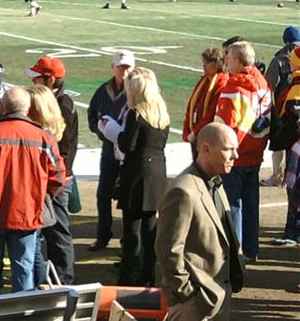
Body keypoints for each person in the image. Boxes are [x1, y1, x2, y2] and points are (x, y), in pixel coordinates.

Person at [156, 122, 244, 321]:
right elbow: (168, 249)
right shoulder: (183, 190)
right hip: (196, 299)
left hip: (216, 294)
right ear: (206, 148)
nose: (235, 156)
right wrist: (186, 294)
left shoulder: (215, 183)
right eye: (228, 149)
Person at [0, 87, 66, 296]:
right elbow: (59, 177)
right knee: (23, 267)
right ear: (28, 108)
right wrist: (39, 197)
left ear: (3, 107)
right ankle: (21, 312)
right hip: (27, 214)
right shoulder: (44, 139)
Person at [99, 67, 170, 286]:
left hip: (136, 175)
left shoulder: (136, 113)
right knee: (150, 229)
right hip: (157, 174)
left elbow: (127, 145)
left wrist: (113, 130)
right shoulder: (161, 113)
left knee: (132, 234)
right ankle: (148, 274)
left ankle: (128, 278)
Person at [214, 41, 272, 263]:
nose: (226, 61)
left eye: (229, 58)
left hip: (236, 154)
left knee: (233, 205)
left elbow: (224, 126)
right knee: (250, 203)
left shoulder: (234, 88)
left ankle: (235, 252)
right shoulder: (263, 83)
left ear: (238, 61)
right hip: (256, 151)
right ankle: (251, 249)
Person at [26, 57, 78, 284]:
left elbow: (62, 149)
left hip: (56, 178)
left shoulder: (61, 105)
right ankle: (55, 276)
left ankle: (63, 279)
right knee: (52, 229)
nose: (34, 81)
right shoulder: (60, 102)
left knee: (57, 230)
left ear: (50, 79)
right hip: (57, 175)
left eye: (38, 77)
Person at [87, 50, 135, 252]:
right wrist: (101, 130)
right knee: (103, 193)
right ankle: (103, 235)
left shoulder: (137, 90)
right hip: (109, 148)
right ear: (113, 67)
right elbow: (91, 114)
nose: (124, 71)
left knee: (128, 197)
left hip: (129, 151)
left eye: (127, 67)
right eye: (120, 66)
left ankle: (128, 240)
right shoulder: (103, 90)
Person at [262, 26, 300, 189]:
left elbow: (268, 85)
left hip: (282, 108)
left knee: (279, 143)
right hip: (293, 110)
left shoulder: (278, 60)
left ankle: (277, 176)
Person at [270, 47, 300, 244]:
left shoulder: (296, 87)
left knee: (295, 189)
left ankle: (293, 231)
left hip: (296, 147)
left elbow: (294, 116)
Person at [183, 48, 229, 159]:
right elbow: (192, 105)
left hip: (207, 136)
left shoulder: (222, 84)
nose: (204, 65)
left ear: (218, 64)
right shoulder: (204, 80)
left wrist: (195, 133)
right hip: (196, 132)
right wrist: (187, 128)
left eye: (208, 62)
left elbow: (211, 113)